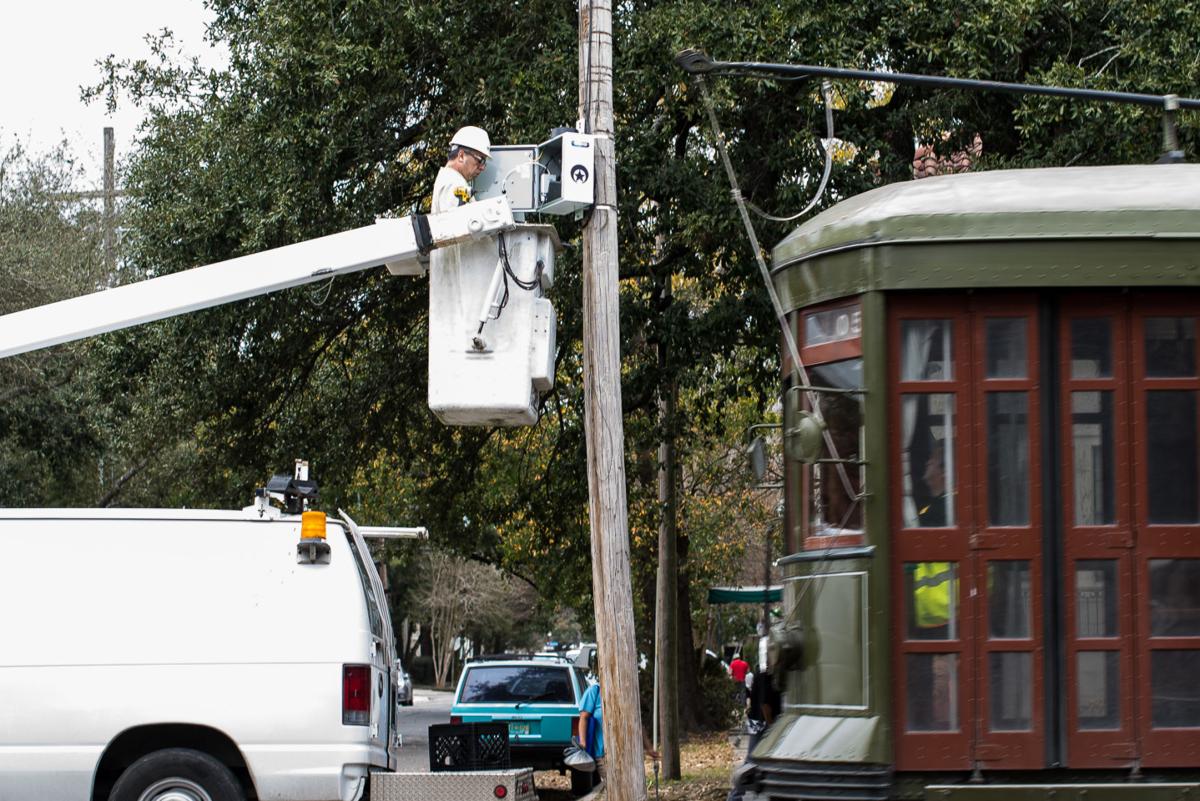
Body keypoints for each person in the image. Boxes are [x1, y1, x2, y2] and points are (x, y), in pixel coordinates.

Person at [577, 680, 660, 778]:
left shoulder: (625, 693)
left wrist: (649, 748)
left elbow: (637, 723)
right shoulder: (595, 691)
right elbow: (583, 718)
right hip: (605, 755)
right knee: (614, 788)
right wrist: (583, 742)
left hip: (628, 754)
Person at [726, 668, 781, 801]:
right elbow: (765, 704)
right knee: (751, 761)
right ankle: (735, 796)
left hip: (759, 722)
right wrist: (772, 727)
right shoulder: (766, 675)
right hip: (761, 724)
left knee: (754, 761)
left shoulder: (762, 673)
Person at [432, 126, 491, 213]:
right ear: (461, 156)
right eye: (480, 160)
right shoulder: (454, 184)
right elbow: (457, 223)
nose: (482, 168)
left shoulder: (449, 179)